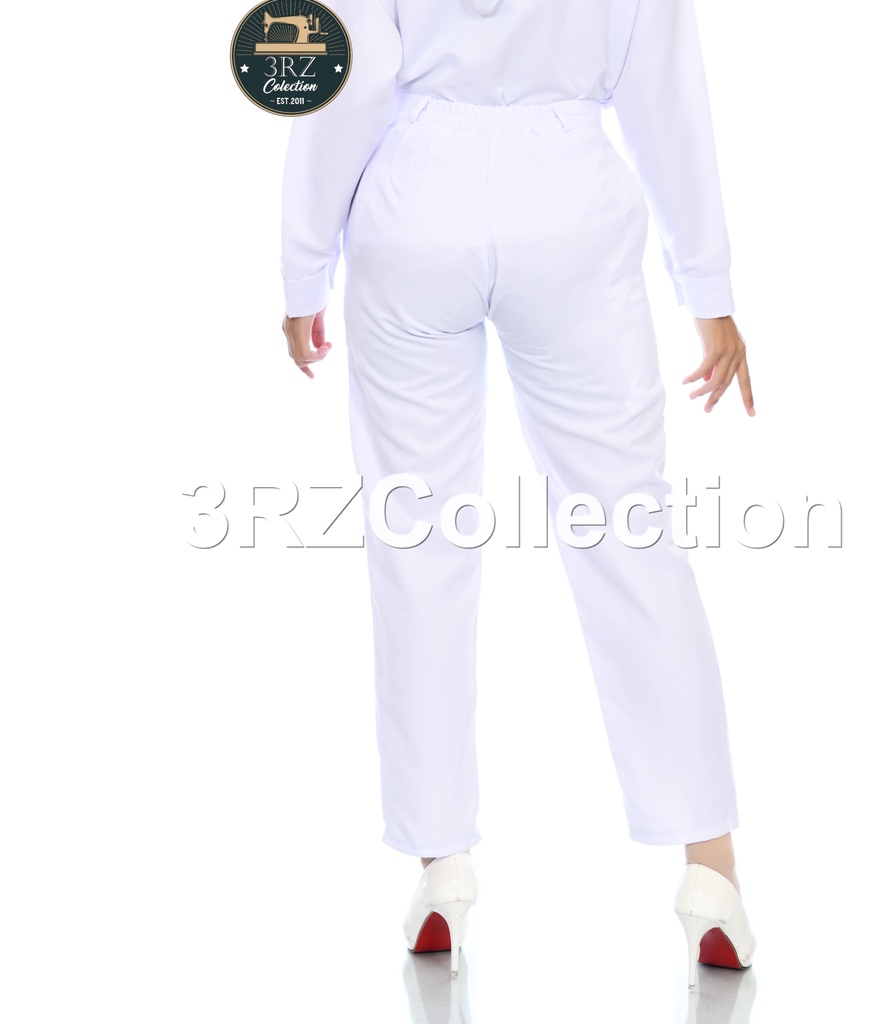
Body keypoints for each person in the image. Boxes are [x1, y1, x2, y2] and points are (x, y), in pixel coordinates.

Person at [279, 0, 756, 986]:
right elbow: (664, 92)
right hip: (570, 200)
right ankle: (710, 871)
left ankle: (439, 866)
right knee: (628, 531)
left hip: (417, 198)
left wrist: (302, 269)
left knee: (417, 541)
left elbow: (348, 76)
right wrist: (706, 291)